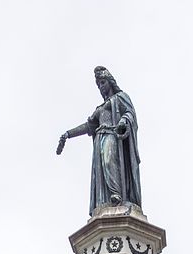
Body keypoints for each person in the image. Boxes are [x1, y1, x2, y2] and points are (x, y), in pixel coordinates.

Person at [57, 66, 142, 216]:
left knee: (110, 161)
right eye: (99, 85)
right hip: (99, 138)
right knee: (101, 168)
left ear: (110, 82)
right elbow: (88, 126)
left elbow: (130, 113)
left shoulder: (120, 97)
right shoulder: (100, 107)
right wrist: (68, 134)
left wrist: (123, 120)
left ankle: (117, 195)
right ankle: (106, 199)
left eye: (103, 82)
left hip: (112, 134)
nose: (101, 87)